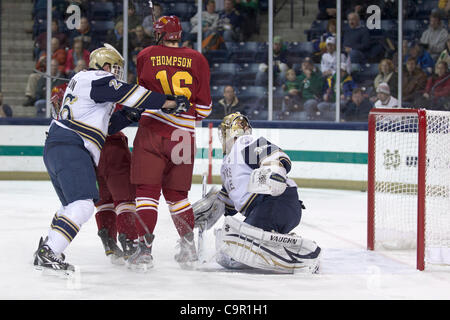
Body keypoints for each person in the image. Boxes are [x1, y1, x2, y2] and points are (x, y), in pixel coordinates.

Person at [32, 43, 188, 275]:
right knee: (82, 206)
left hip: (59, 146)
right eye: (114, 68)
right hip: (71, 147)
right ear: (103, 65)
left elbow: (106, 127)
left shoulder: (86, 85)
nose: (116, 73)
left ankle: (48, 247)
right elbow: (131, 93)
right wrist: (169, 102)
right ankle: (49, 252)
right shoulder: (95, 78)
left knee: (70, 206)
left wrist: (128, 115)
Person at [131, 16, 212, 271]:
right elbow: (205, 109)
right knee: (178, 196)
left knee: (146, 194)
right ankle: (188, 249)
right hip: (183, 135)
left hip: (152, 131)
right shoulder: (198, 59)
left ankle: (144, 251)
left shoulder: (145, 55)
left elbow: (138, 97)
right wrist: (184, 114)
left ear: (158, 34)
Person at [193, 112, 321, 273]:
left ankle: (300, 256)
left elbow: (275, 155)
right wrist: (209, 209)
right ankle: (281, 242)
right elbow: (230, 206)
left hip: (278, 203)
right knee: (230, 250)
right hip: (265, 210)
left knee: (239, 241)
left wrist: (273, 171)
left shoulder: (244, 143)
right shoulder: (228, 163)